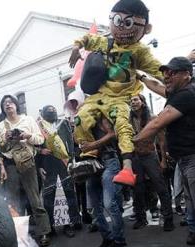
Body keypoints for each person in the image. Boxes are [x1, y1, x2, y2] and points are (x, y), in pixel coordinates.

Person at [134, 57, 195, 247]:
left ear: (187, 74)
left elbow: (156, 123)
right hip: (188, 159)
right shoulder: (181, 92)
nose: (166, 76)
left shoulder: (187, 94)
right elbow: (157, 86)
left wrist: (133, 142)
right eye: (165, 72)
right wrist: (140, 75)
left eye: (172, 72)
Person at [68, 0, 162, 186]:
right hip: (98, 98)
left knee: (123, 126)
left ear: (146, 29)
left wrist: (175, 74)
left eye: (128, 23)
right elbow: (87, 39)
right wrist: (76, 46)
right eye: (117, 21)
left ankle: (127, 168)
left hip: (120, 98)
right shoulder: (105, 42)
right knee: (80, 119)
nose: (121, 27)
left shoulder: (139, 51)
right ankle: (89, 156)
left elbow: (158, 69)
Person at [0, 95, 51, 247]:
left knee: (34, 199)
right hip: (10, 165)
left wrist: (27, 136)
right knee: (15, 203)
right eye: (5, 103)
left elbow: (40, 140)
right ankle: (21, 238)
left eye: (10, 102)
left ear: (16, 105)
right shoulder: (1, 127)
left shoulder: (28, 120)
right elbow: (1, 150)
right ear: (3, 108)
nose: (8, 105)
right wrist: (7, 140)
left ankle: (44, 232)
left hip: (28, 163)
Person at [129, 94, 174, 231]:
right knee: (137, 189)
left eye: (135, 99)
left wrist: (163, 161)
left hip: (150, 155)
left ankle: (168, 219)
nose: (133, 102)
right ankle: (141, 219)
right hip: (135, 157)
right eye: (131, 100)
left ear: (142, 102)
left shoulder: (153, 118)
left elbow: (161, 141)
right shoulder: (128, 120)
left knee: (160, 187)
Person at [81, 116, 126, 247]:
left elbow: (113, 134)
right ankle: (107, 238)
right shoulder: (81, 120)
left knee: (109, 203)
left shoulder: (100, 115)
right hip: (92, 163)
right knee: (95, 206)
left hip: (109, 161)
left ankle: (119, 239)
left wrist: (92, 145)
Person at [38, 105, 82, 237]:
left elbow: (70, 141)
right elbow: (35, 146)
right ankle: (50, 226)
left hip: (64, 163)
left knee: (68, 193)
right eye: (48, 111)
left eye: (54, 110)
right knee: (49, 196)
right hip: (47, 164)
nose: (52, 112)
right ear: (43, 114)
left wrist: (72, 160)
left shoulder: (63, 123)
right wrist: (39, 164)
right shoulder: (39, 126)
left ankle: (71, 222)